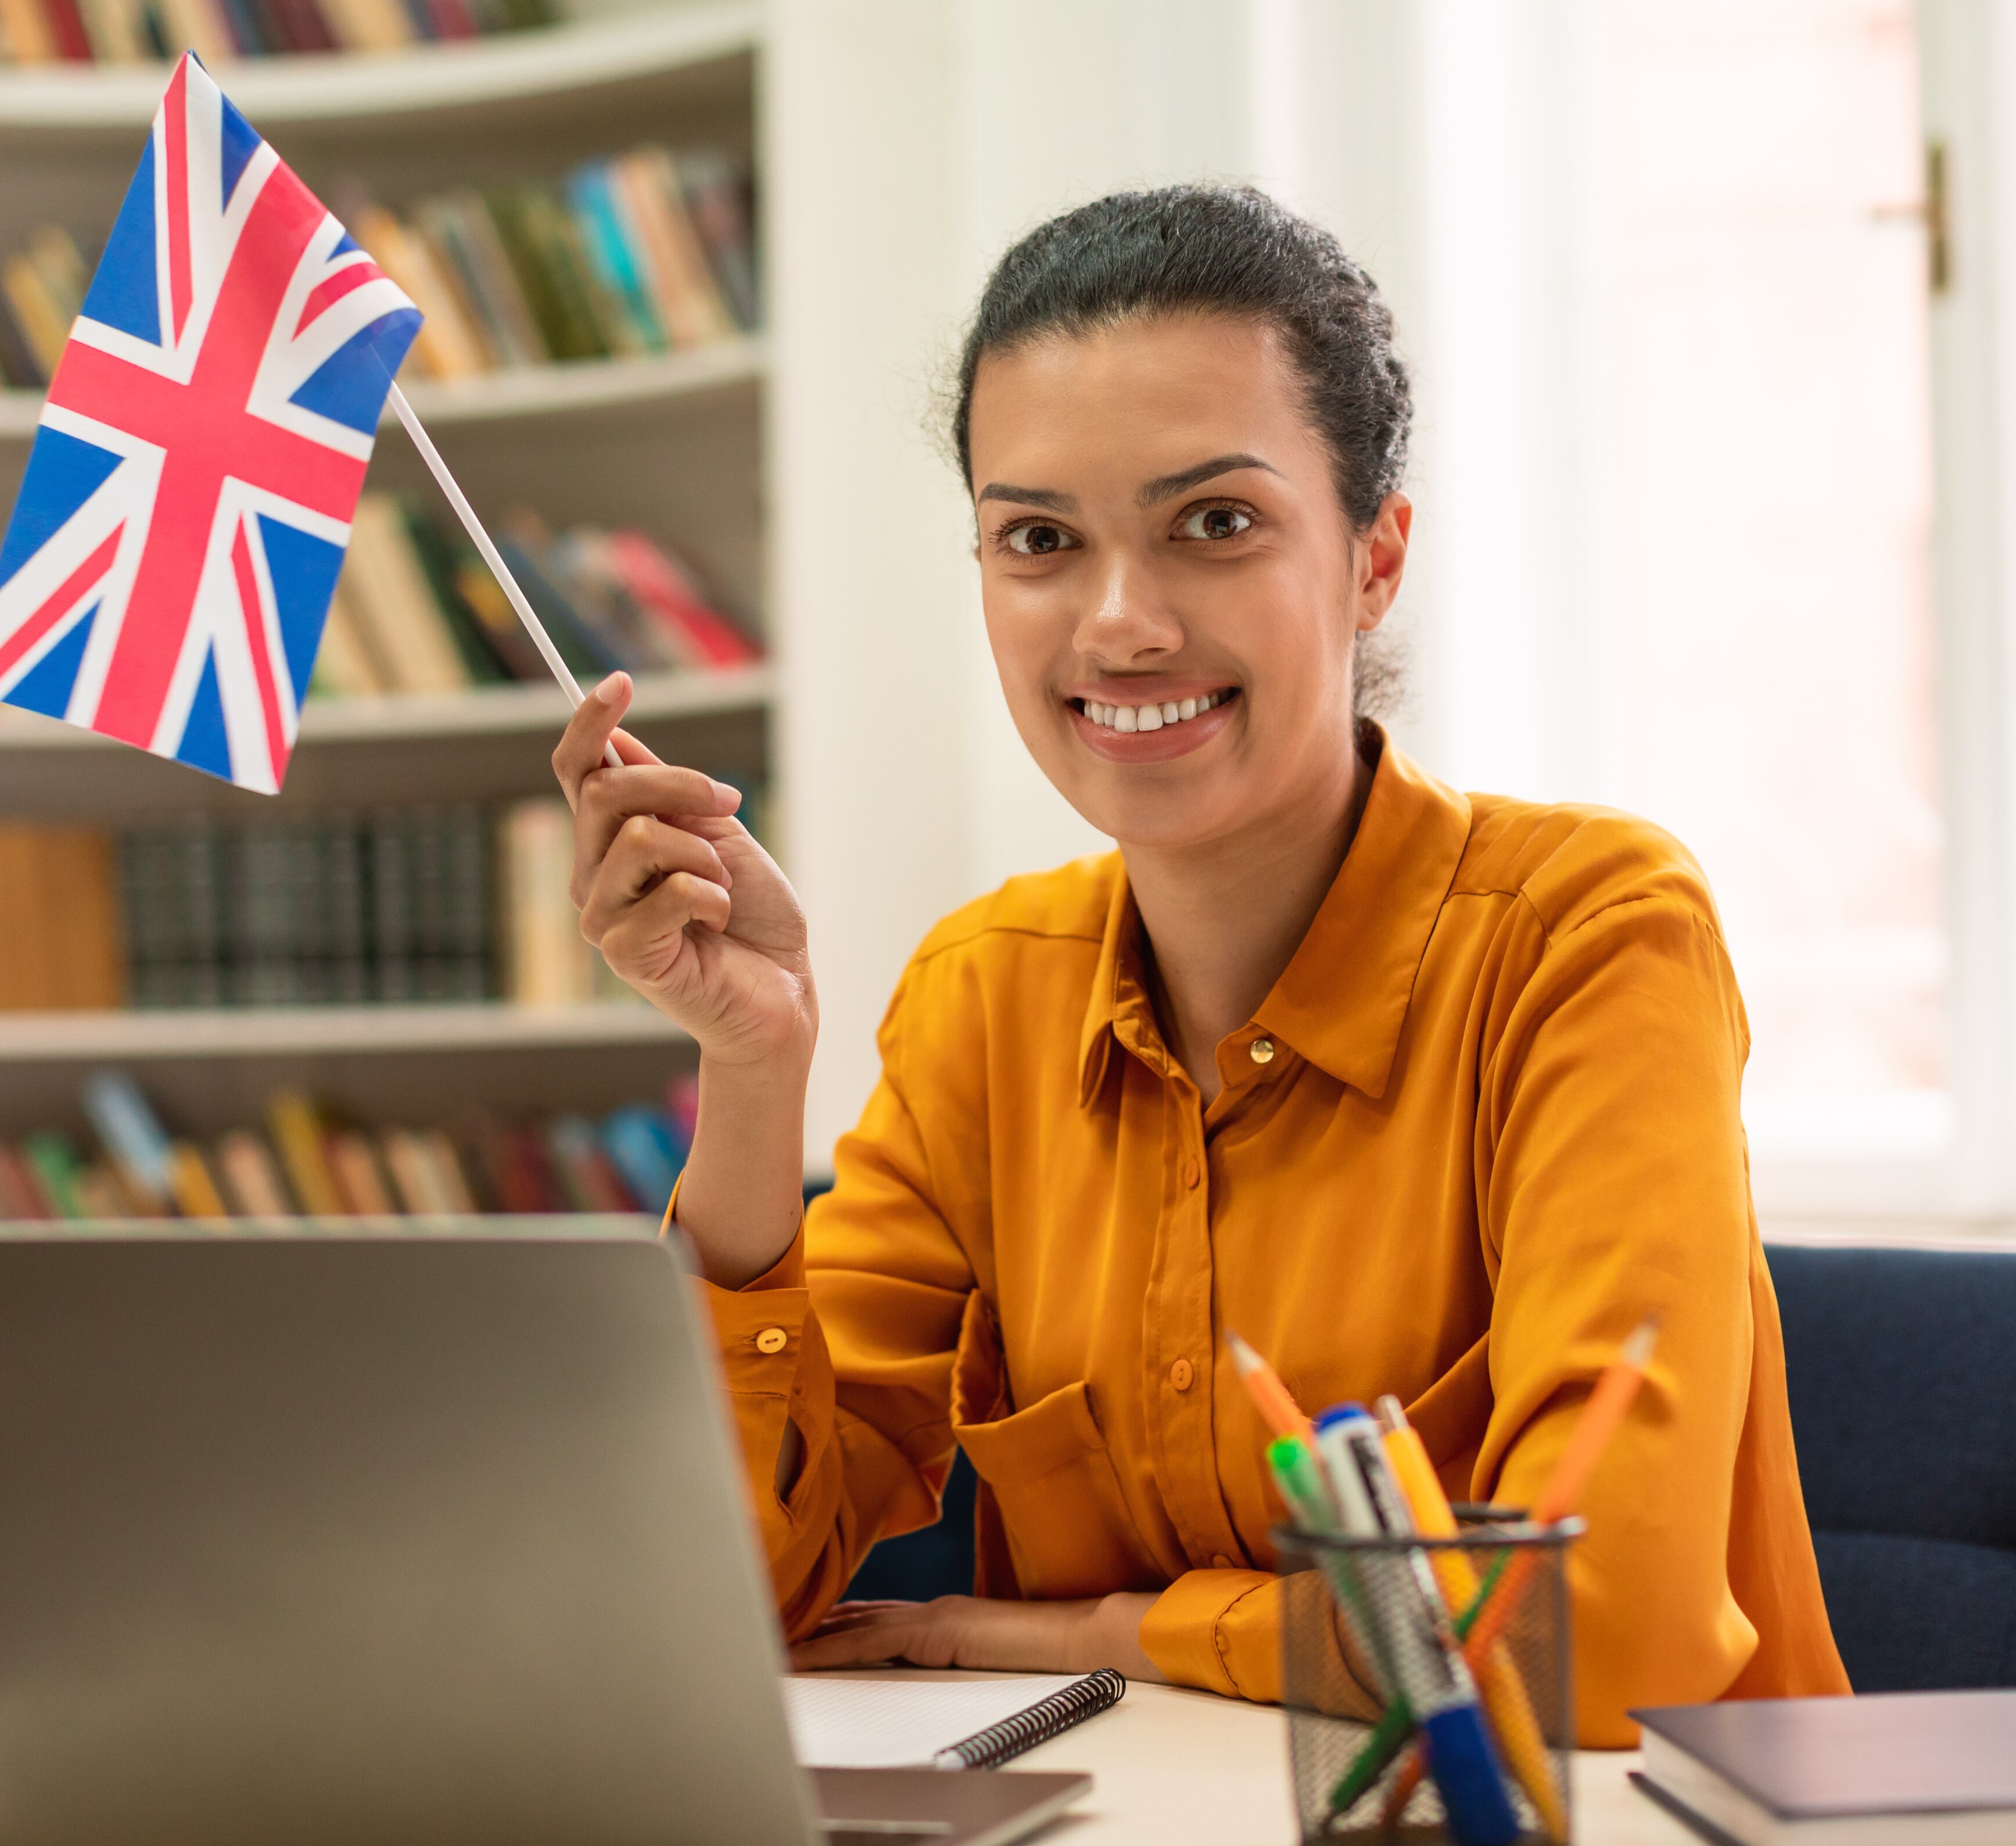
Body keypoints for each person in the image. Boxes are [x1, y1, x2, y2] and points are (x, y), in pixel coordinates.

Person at [551, 185, 1849, 1744]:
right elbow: (721, 1601)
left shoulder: (1590, 934)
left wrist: (1101, 1632)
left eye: (1215, 524)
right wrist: (754, 1077)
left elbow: (1594, 1629)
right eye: (1039, 541)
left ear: (1374, 560)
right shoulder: (983, 996)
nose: (1119, 626)